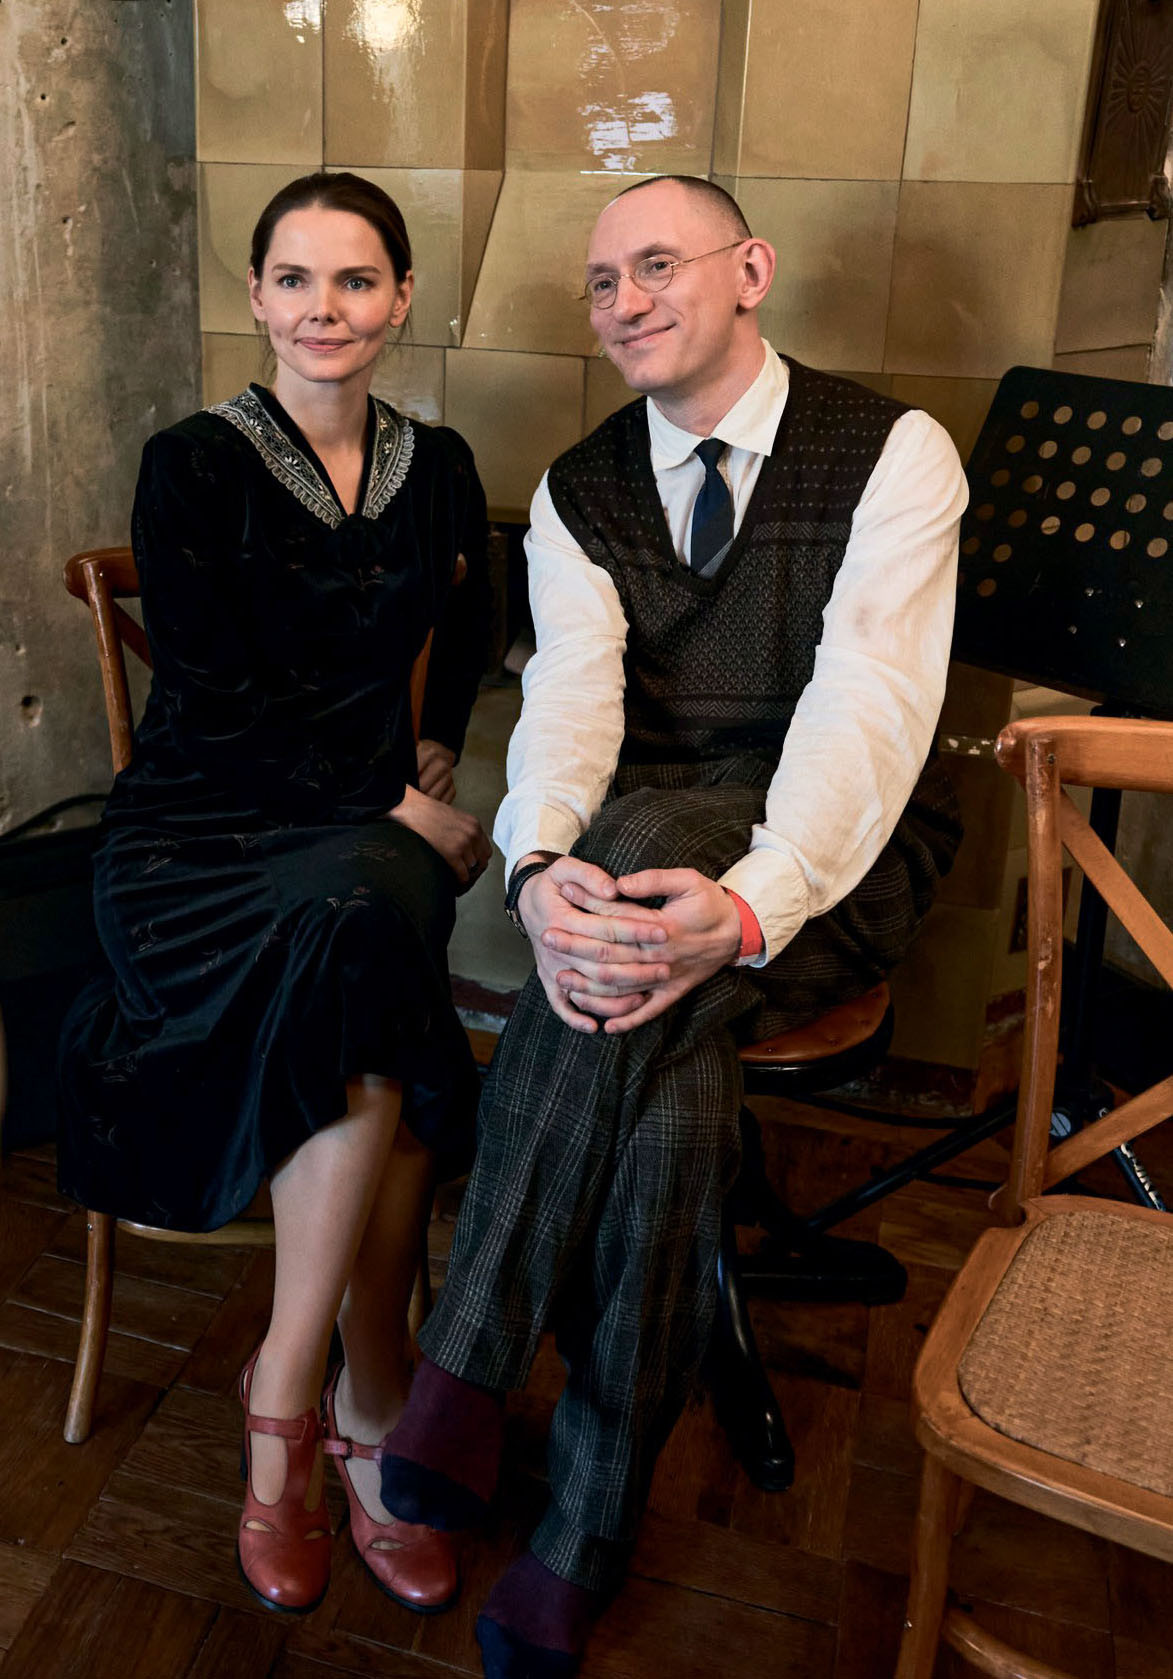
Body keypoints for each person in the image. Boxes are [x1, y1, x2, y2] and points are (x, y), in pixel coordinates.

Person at [374, 175, 968, 1677]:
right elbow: (571, 701)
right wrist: (538, 868)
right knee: (659, 1014)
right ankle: (587, 1524)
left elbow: (868, 712)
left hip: (838, 852)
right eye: (600, 281)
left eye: (657, 264)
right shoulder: (581, 489)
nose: (624, 301)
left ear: (749, 269)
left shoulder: (891, 452)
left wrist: (752, 904)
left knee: (648, 857)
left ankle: (466, 1359)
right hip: (652, 863)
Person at [58, 171, 493, 1617]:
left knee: (370, 929)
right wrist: (397, 803)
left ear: (401, 299)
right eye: (294, 279)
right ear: (255, 298)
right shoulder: (192, 462)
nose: (324, 309)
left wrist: (439, 746)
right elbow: (218, 694)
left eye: (355, 280)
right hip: (196, 841)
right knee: (379, 932)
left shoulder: (438, 466)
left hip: (356, 851)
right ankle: (345, 1395)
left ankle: (301, 1402)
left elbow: (479, 624)